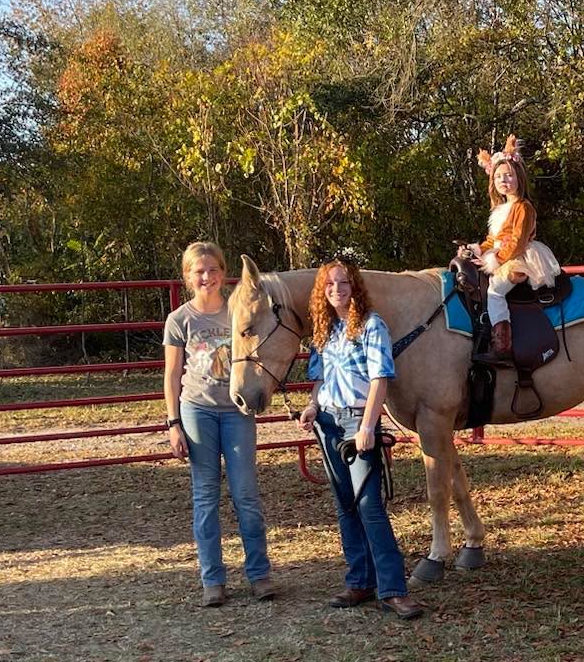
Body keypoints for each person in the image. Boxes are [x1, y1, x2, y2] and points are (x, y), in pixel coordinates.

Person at [296, 256, 424, 620]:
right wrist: (312, 406)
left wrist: (368, 426)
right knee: (345, 505)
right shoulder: (324, 330)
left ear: (355, 287)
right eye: (330, 284)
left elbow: (380, 378)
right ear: (322, 290)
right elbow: (321, 378)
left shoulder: (371, 325)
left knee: (369, 505)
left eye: (343, 282)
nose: (337, 289)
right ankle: (360, 580)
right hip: (328, 422)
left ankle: (393, 589)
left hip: (357, 422)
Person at [163, 241, 275, 607]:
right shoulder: (180, 319)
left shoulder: (236, 311)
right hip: (198, 411)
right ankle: (213, 579)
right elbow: (172, 374)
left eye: (213, 269)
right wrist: (173, 423)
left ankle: (259, 574)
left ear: (224, 273)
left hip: (236, 411)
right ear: (188, 276)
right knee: (205, 496)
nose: (207, 277)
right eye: (199, 271)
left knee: (246, 494)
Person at [457, 134, 560, 362]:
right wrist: (476, 251)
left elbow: (517, 241)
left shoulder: (523, 207)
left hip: (518, 258)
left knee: (495, 291)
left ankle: (502, 344)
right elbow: (492, 240)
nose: (503, 180)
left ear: (519, 178)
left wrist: (495, 259)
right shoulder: (500, 210)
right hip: (503, 255)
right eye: (498, 176)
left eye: (509, 175)